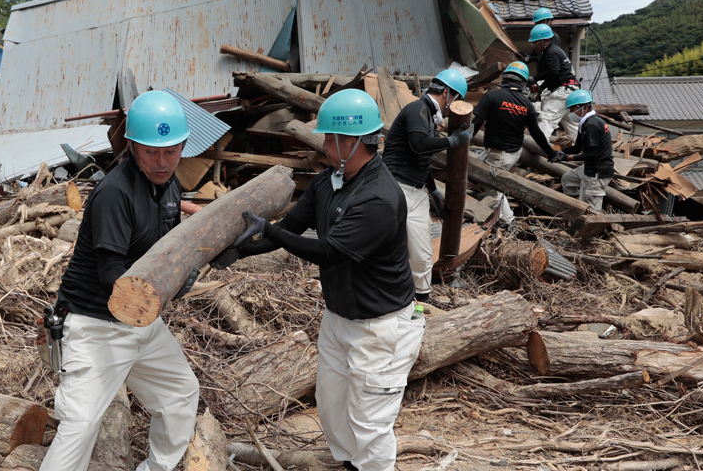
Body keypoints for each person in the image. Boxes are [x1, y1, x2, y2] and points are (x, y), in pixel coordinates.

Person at [212, 89, 424, 471]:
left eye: (330, 138)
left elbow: (327, 251)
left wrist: (272, 234)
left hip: (382, 328)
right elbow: (291, 226)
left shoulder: (379, 198)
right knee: (332, 408)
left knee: (370, 423)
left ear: (353, 141)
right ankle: (349, 465)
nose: (324, 145)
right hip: (341, 318)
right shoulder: (330, 182)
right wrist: (240, 250)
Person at [37, 90, 200, 471]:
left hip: (141, 319)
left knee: (179, 394)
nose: (162, 162)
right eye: (151, 152)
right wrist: (172, 286)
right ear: (131, 145)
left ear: (183, 146)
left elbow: (169, 252)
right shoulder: (114, 193)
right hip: (95, 324)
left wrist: (190, 266)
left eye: (171, 151)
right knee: (82, 423)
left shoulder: (171, 188)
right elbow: (111, 273)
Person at [382, 69, 473, 302]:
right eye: (454, 101)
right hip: (395, 188)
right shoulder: (416, 109)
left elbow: (421, 161)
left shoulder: (428, 119)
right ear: (446, 93)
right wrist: (452, 141)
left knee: (422, 256)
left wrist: (433, 191)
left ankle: (420, 306)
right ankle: (390, 302)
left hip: (416, 192)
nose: (450, 108)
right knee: (392, 250)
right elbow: (418, 145)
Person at [470, 61, 558, 226]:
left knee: (493, 193)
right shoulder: (527, 105)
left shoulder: (492, 95)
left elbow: (476, 123)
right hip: (512, 154)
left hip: (497, 155)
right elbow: (537, 133)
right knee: (478, 164)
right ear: (523, 82)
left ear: (505, 78)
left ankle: (509, 223)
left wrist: (462, 143)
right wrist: (550, 152)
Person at [551, 90, 614, 211]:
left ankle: (592, 223)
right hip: (590, 167)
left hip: (598, 171)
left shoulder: (592, 125)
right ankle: (575, 207)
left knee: (592, 209)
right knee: (568, 179)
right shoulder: (584, 124)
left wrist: (567, 158)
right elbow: (577, 148)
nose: (570, 113)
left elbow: (592, 154)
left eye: (572, 109)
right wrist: (558, 153)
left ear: (584, 107)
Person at [529, 23, 579, 140]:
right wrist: (542, 88)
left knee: (546, 118)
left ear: (544, 41)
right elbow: (555, 76)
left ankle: (538, 148)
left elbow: (553, 72)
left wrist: (535, 78)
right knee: (570, 123)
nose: (534, 46)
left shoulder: (551, 52)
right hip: (569, 90)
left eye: (535, 43)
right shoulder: (556, 50)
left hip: (563, 91)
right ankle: (588, 148)